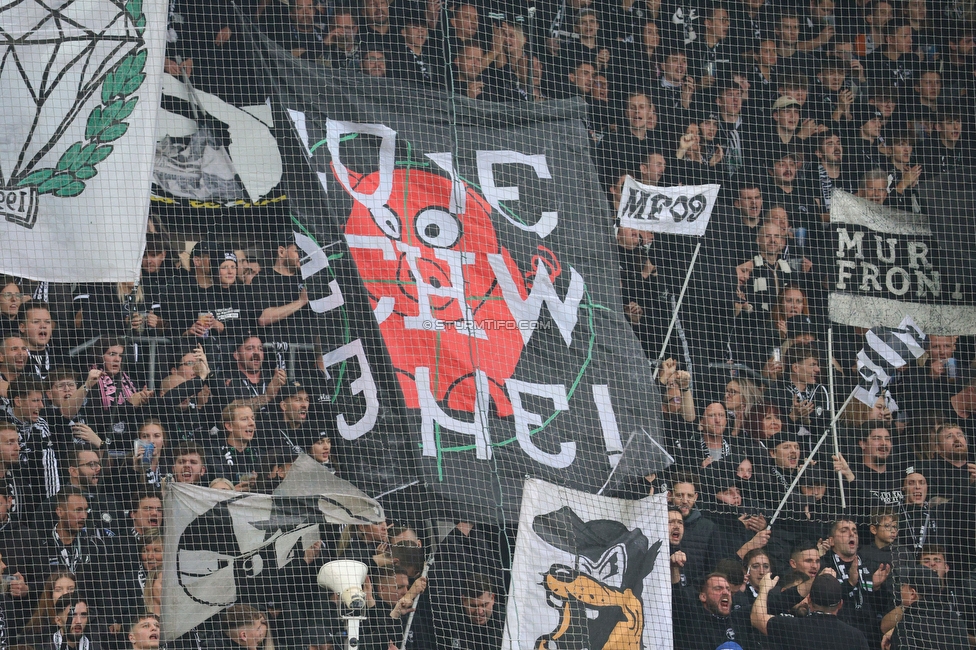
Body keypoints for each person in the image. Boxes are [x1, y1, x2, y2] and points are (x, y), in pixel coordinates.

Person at [751, 572, 871, 649]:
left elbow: (756, 618)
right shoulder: (856, 637)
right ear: (840, 604)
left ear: (808, 600)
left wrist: (764, 590)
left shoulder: (792, 627)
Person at [673, 572, 749, 650]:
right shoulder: (692, 621)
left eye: (728, 589)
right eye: (718, 588)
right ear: (703, 597)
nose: (726, 592)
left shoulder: (739, 620)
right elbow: (677, 594)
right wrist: (674, 568)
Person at [210, 403, 261, 491]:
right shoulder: (214, 455)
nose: (252, 423)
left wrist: (259, 483)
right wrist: (232, 491)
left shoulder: (261, 455)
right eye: (244, 419)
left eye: (253, 419)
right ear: (229, 426)